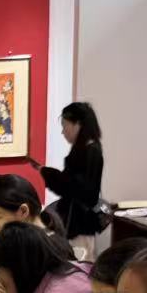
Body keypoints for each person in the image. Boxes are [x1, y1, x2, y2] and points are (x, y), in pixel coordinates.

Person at [30, 102, 106, 251]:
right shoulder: (84, 150)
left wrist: (48, 173)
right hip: (76, 221)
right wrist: (46, 172)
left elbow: (79, 190)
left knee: (79, 258)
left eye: (65, 125)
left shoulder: (91, 151)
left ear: (77, 124)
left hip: (80, 223)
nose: (63, 131)